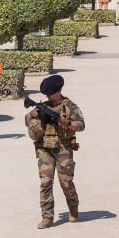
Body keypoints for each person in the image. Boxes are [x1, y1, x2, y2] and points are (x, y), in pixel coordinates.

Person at [26, 74, 86, 228]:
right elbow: (27, 119)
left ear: (58, 91)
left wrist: (67, 123)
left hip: (63, 148)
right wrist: (35, 117)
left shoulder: (70, 106)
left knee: (66, 182)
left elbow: (81, 125)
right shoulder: (43, 106)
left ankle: (73, 208)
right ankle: (47, 217)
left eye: (50, 93)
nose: (47, 96)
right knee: (45, 183)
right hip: (45, 148)